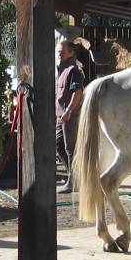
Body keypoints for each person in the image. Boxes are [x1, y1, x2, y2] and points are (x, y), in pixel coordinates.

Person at [55, 38, 85, 193]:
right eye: (59, 52)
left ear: (71, 53)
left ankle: (74, 181)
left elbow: (78, 92)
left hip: (69, 116)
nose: (59, 54)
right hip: (60, 116)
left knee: (70, 148)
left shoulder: (74, 70)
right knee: (59, 145)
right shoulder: (62, 69)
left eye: (62, 51)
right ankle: (73, 176)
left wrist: (69, 111)